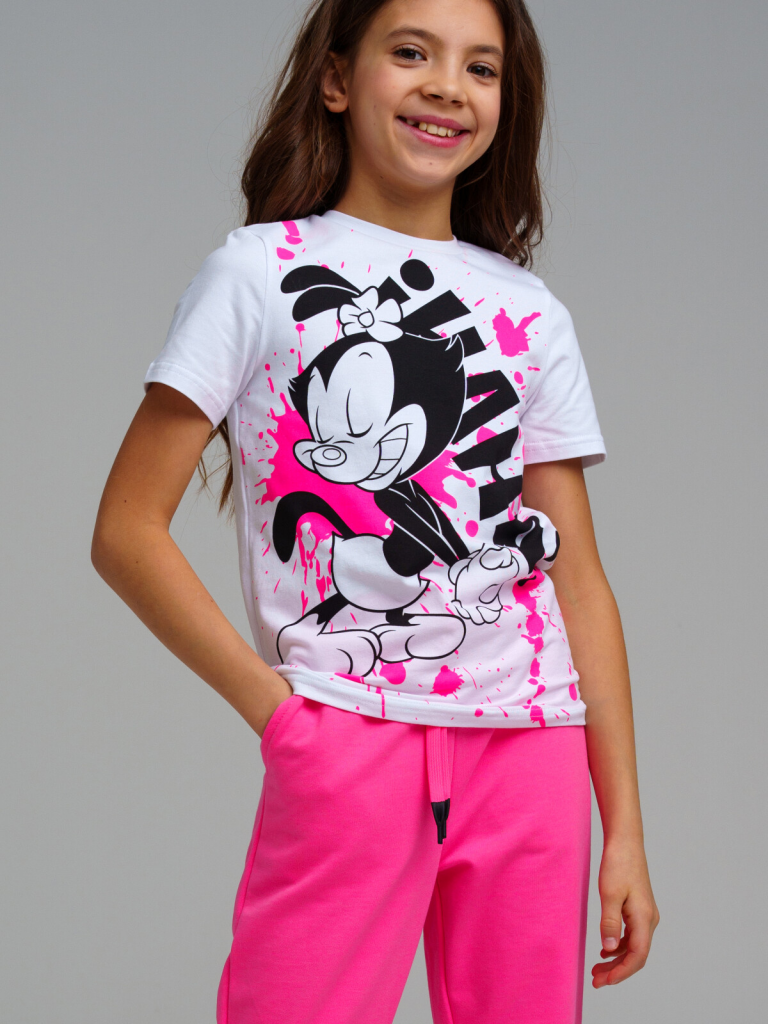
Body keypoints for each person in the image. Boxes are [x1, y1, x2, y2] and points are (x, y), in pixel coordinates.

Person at [91, 0, 659, 1020]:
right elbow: (126, 531)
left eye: (481, 67)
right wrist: (285, 717)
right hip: (349, 742)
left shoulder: (532, 314)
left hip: (531, 748)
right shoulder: (255, 273)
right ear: (336, 77)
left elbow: (577, 575)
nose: (447, 85)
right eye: (411, 52)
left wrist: (624, 827)